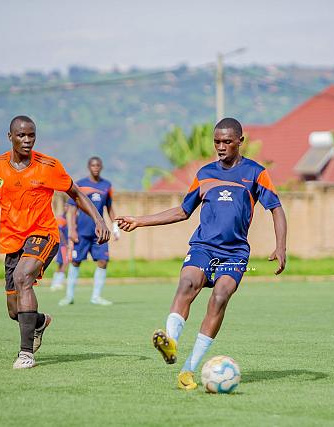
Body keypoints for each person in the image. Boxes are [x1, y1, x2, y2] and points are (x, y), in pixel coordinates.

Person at [117, 118, 287, 390]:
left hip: (235, 253)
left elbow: (276, 209)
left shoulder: (256, 172)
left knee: (219, 297)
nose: (221, 146)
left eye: (227, 141)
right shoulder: (205, 173)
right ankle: (171, 344)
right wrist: (139, 221)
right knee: (187, 284)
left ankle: (188, 370)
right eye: (217, 141)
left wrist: (281, 246)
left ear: (240, 141)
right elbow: (182, 211)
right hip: (203, 247)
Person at [0, 115, 110, 369]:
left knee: (22, 277)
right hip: (13, 240)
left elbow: (76, 193)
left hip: (43, 234)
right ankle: (39, 322)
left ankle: (26, 353)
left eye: (31, 135)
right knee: (14, 311)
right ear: (10, 137)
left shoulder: (48, 165)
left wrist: (99, 219)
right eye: (21, 135)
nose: (27, 140)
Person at [59, 157, 120, 306]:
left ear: (101, 167)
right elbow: (72, 209)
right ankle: (69, 296)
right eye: (93, 165)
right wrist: (72, 230)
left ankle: (96, 297)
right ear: (89, 167)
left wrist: (115, 226)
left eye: (98, 165)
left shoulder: (107, 185)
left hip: (100, 233)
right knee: (75, 262)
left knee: (103, 261)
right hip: (81, 232)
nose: (96, 167)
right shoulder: (80, 184)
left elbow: (109, 208)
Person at [49, 211, 69, 291]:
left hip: (63, 245)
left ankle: (55, 283)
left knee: (61, 264)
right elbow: (60, 232)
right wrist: (65, 243)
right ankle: (58, 283)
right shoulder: (61, 219)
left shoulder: (68, 218)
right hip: (63, 245)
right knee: (65, 263)